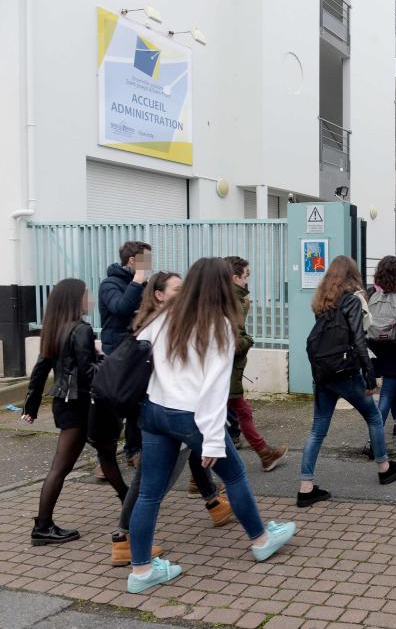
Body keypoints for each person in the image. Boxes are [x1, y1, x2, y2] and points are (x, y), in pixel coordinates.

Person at [128, 258, 296, 594]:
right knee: (234, 475)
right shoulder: (218, 325)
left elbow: (136, 351)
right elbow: (214, 390)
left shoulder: (163, 317)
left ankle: (142, 570)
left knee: (148, 493)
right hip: (190, 416)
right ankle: (261, 539)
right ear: (222, 286)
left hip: (154, 410)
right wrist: (213, 439)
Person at [112, 272, 233, 567]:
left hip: (161, 409)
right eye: (178, 289)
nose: (185, 293)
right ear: (159, 294)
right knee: (151, 485)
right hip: (157, 409)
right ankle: (123, 539)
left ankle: (214, 502)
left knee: (187, 458)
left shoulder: (165, 319)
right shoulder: (159, 322)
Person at [22, 279, 128, 546]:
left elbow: (40, 370)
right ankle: (42, 527)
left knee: (105, 453)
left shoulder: (55, 328)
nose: (90, 298)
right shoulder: (81, 329)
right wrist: (107, 362)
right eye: (87, 294)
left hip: (66, 402)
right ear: (75, 299)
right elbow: (88, 372)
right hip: (80, 404)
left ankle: (130, 502)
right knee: (64, 465)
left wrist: (31, 406)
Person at [299, 256, 396, 507]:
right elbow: (359, 341)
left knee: (318, 429)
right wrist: (369, 375)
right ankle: (384, 467)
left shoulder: (321, 302)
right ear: (352, 275)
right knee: (372, 416)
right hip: (346, 373)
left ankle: (305, 488)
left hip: (323, 373)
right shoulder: (351, 300)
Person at [223, 256, 288, 472]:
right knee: (228, 418)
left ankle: (264, 453)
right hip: (225, 372)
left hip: (226, 372)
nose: (248, 280)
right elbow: (234, 340)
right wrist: (249, 341)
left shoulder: (233, 299)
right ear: (234, 278)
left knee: (235, 414)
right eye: (246, 276)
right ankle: (264, 453)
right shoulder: (231, 301)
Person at [99, 240, 151, 467]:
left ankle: (134, 450)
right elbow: (121, 308)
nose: (150, 265)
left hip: (138, 350)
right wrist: (138, 281)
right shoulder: (109, 284)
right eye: (146, 260)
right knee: (114, 405)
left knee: (137, 402)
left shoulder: (143, 284)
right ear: (132, 261)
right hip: (117, 351)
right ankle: (104, 459)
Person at [366, 256, 396, 438]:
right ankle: (374, 439)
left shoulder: (370, 293)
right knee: (387, 391)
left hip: (374, 346)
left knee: (391, 387)